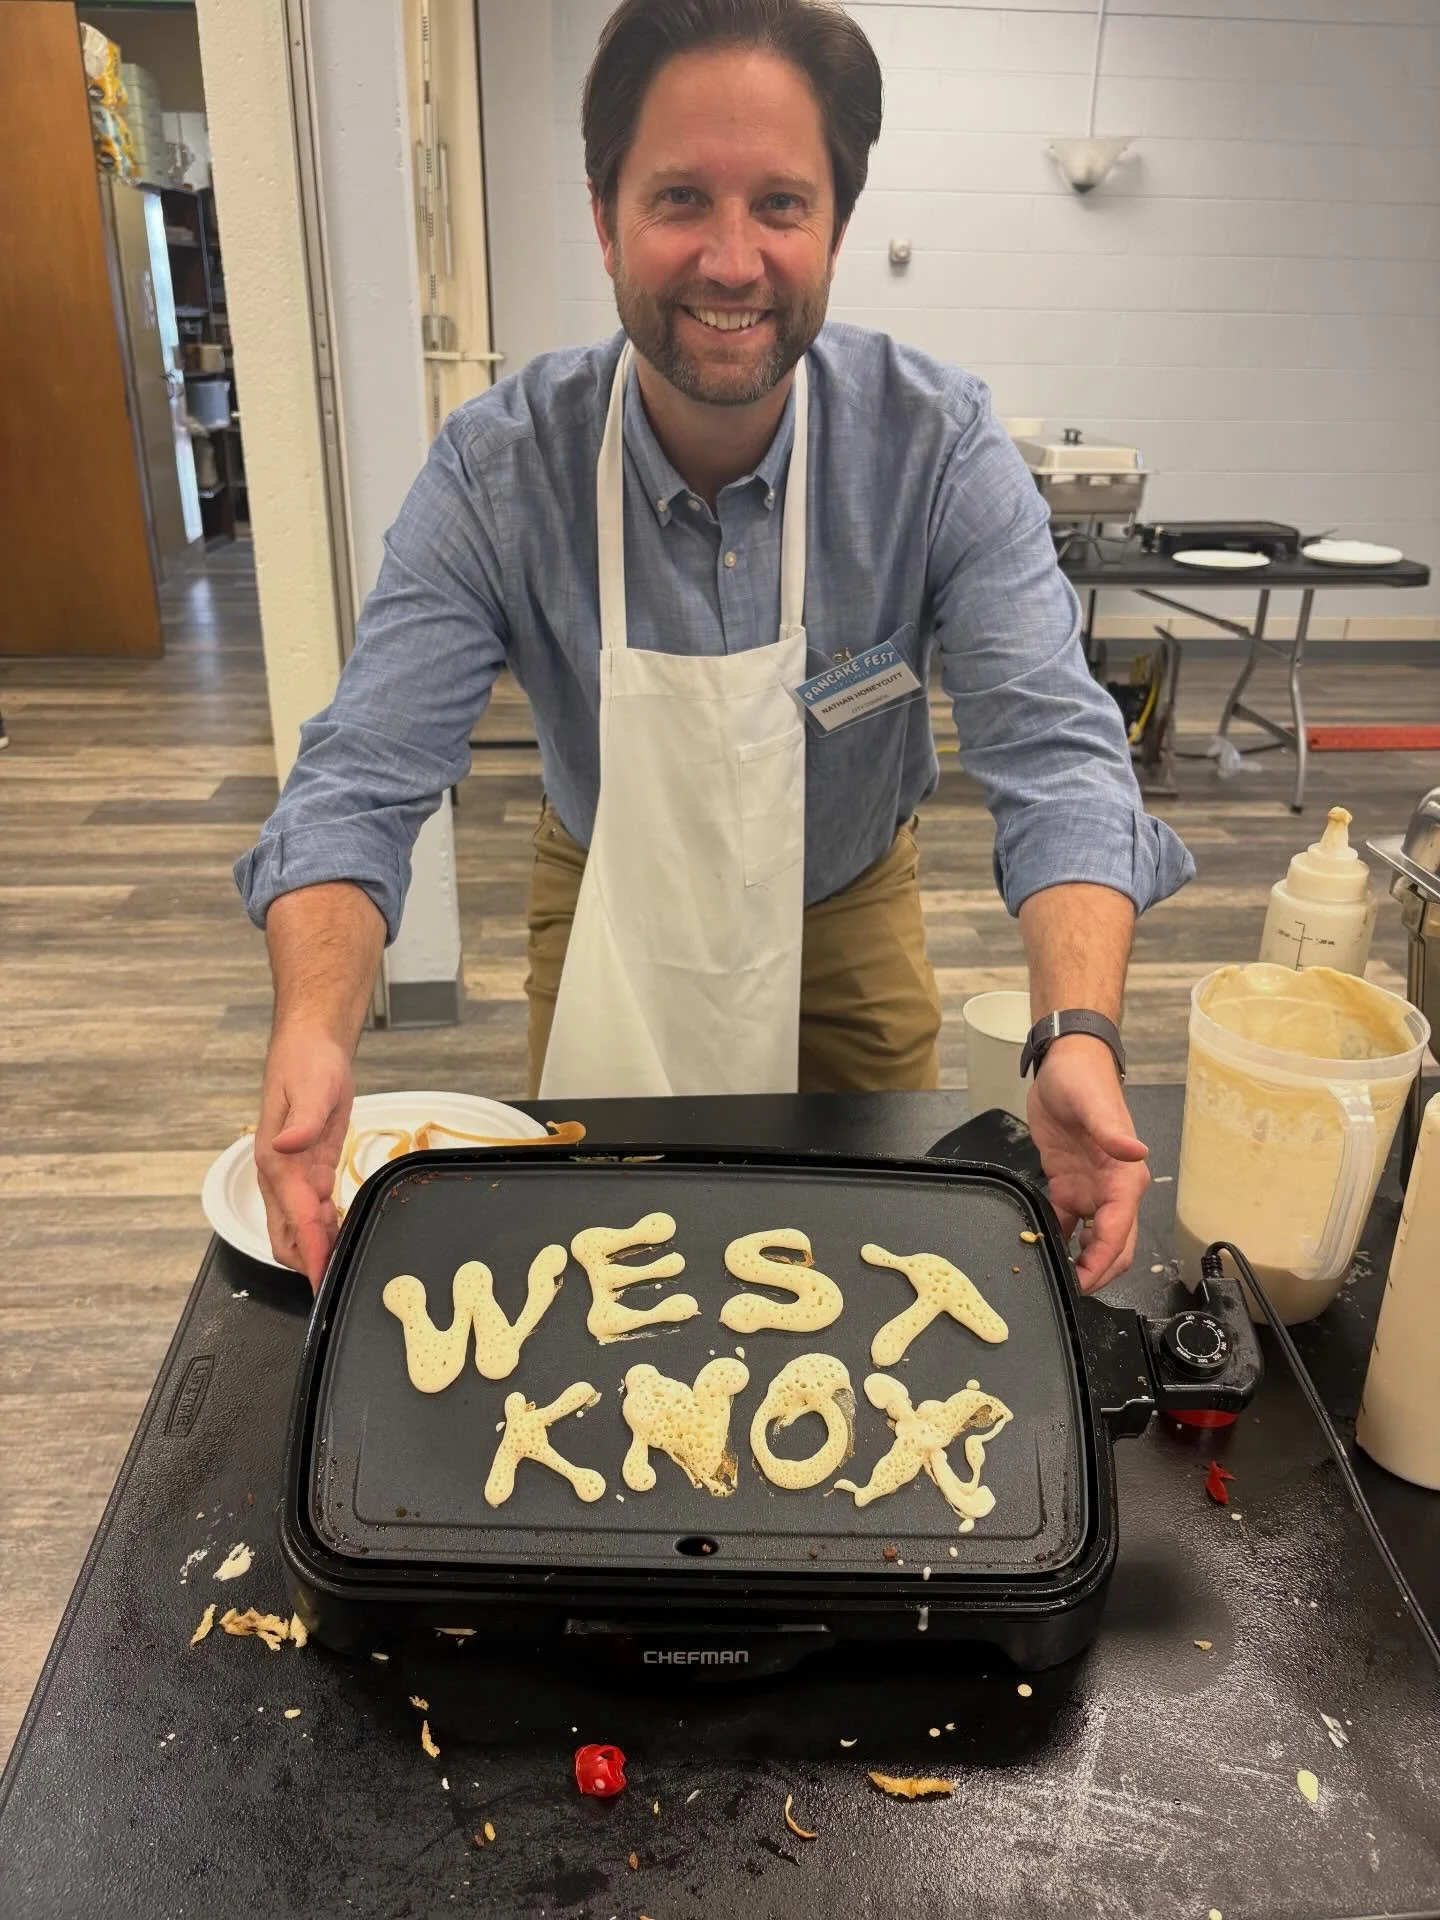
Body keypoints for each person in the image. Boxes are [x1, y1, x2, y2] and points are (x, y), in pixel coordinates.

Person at [236, 0, 1192, 1295]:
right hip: (607, 890)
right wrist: (315, 1027)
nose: (733, 259)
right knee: (592, 1261)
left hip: (848, 898)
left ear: (836, 228)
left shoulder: (934, 446)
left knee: (867, 1259)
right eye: (682, 196)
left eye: (782, 205)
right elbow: (360, 776)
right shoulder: (501, 468)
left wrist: (1075, 1029)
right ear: (605, 214)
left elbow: (1061, 755)